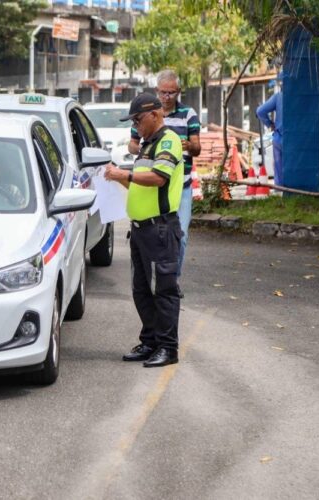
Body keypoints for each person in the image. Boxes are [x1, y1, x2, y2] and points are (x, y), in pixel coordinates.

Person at [105, 93, 184, 368]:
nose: (136, 126)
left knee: (163, 290)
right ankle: (151, 341)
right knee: (141, 290)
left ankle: (167, 347)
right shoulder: (147, 144)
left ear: (154, 114)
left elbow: (158, 178)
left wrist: (124, 175)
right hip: (140, 231)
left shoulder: (168, 140)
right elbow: (140, 184)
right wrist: (116, 179)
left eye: (138, 119)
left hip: (159, 229)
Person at [129, 70, 200, 297]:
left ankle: (172, 281)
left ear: (178, 92)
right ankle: (156, 280)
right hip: (154, 184)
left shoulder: (188, 114)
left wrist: (184, 145)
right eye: (163, 92)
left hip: (182, 184)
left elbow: (198, 148)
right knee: (153, 233)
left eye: (172, 92)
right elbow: (132, 144)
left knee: (181, 234)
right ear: (157, 91)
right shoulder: (145, 115)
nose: (167, 96)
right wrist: (138, 148)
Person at [256, 70, 283, 187]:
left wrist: (270, 124)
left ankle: (280, 190)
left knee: (279, 167)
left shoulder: (278, 97)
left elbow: (260, 111)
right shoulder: (299, 98)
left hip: (279, 138)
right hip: (294, 139)